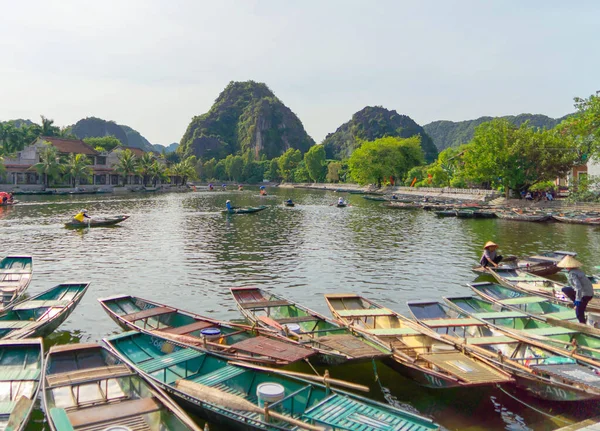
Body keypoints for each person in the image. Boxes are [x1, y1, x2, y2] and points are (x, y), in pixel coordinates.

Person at [558, 256, 594, 324]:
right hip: (589, 292)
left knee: (579, 313)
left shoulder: (572, 274)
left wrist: (578, 299)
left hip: (585, 295)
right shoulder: (578, 271)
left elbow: (578, 287)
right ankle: (577, 304)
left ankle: (583, 325)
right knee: (565, 289)